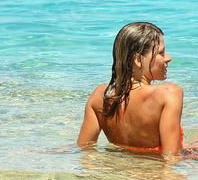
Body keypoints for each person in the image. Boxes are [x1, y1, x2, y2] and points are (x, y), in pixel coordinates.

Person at [77, 22, 183, 155]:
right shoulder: (169, 93)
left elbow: (85, 148)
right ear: (138, 60)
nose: (168, 58)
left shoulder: (100, 96)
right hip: (152, 173)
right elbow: (171, 157)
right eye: (161, 52)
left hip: (118, 171)